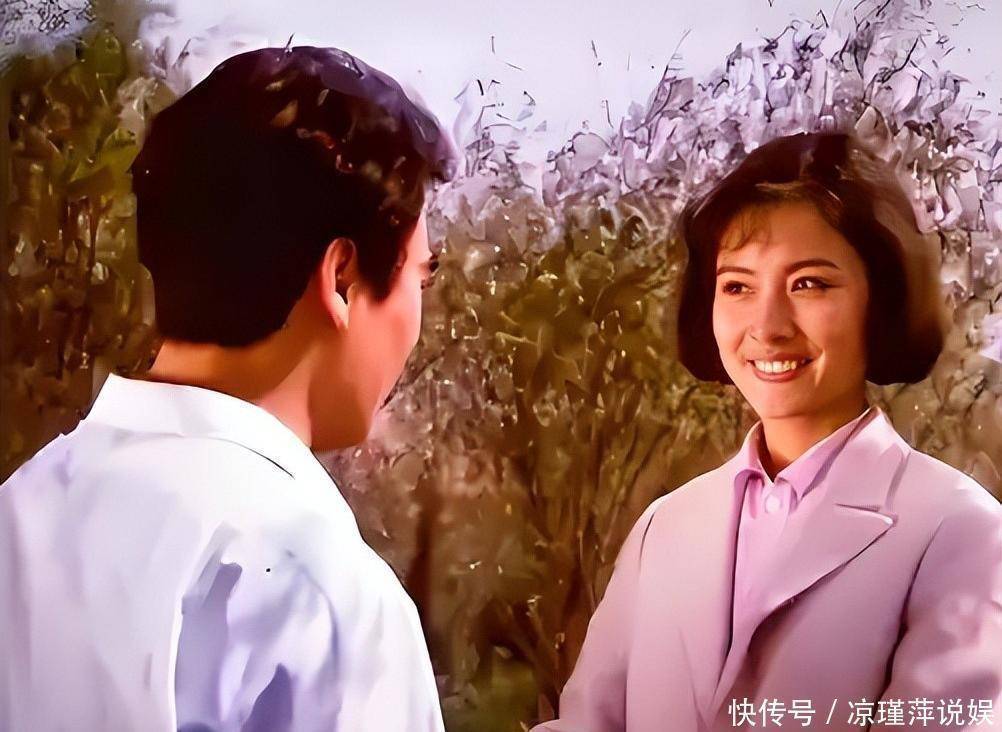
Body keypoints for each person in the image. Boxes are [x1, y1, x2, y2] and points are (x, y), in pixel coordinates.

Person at [0, 46, 454, 731]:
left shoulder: (21, 510)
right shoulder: (324, 596)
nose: (419, 314)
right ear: (341, 278)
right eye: (421, 276)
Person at [532, 132, 1002, 731]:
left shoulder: (961, 531)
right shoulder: (663, 528)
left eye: (809, 283)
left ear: (880, 300)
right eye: (737, 286)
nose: (767, 325)